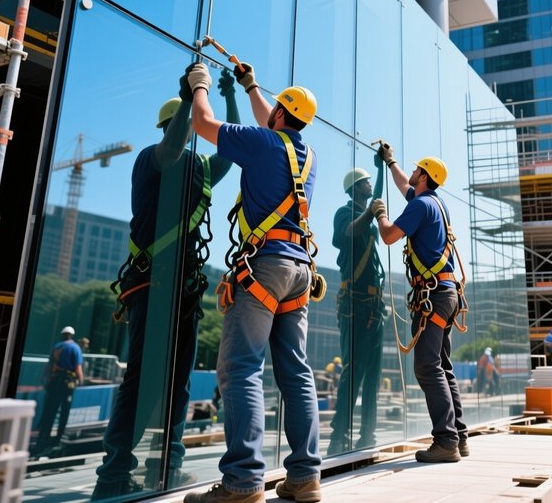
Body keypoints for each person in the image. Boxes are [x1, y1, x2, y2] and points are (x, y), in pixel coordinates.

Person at [92, 69, 237, 499]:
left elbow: (226, 154)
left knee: (179, 382)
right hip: (152, 285)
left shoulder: (201, 169)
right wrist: (190, 99)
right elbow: (172, 149)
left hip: (184, 289)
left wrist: (227, 96)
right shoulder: (152, 159)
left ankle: (168, 465)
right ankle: (115, 471)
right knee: (140, 379)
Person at [184, 61, 321, 503]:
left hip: (264, 266)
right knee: (296, 372)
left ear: (279, 115)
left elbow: (203, 123)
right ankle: (304, 477)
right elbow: (275, 121)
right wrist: (251, 86)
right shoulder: (307, 156)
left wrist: (200, 85)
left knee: (241, 368)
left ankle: (243, 481)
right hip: (298, 271)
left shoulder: (262, 143)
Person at [371, 145, 469, 463]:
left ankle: (446, 442)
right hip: (446, 293)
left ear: (424, 176)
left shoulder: (420, 205)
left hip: (434, 296)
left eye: (416, 171)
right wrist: (391, 163)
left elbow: (388, 236)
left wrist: (380, 213)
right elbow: (404, 184)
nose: (411, 175)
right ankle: (459, 437)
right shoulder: (435, 204)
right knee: (442, 366)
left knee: (427, 367)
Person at [328, 160, 387, 454]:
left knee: (373, 377)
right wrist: (371, 212)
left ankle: (368, 436)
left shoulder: (367, 213)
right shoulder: (345, 213)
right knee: (353, 371)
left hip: (374, 306)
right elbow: (349, 233)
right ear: (354, 188)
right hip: (355, 304)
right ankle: (338, 437)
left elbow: (375, 199)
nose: (368, 186)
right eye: (364, 181)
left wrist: (381, 168)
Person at [33, 326, 84, 455]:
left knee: (50, 410)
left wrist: (44, 380)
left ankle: (43, 438)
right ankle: (57, 439)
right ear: (72, 335)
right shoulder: (75, 348)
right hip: (66, 383)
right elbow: (78, 368)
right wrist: (81, 380)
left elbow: (49, 365)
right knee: (64, 411)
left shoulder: (57, 347)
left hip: (54, 382)